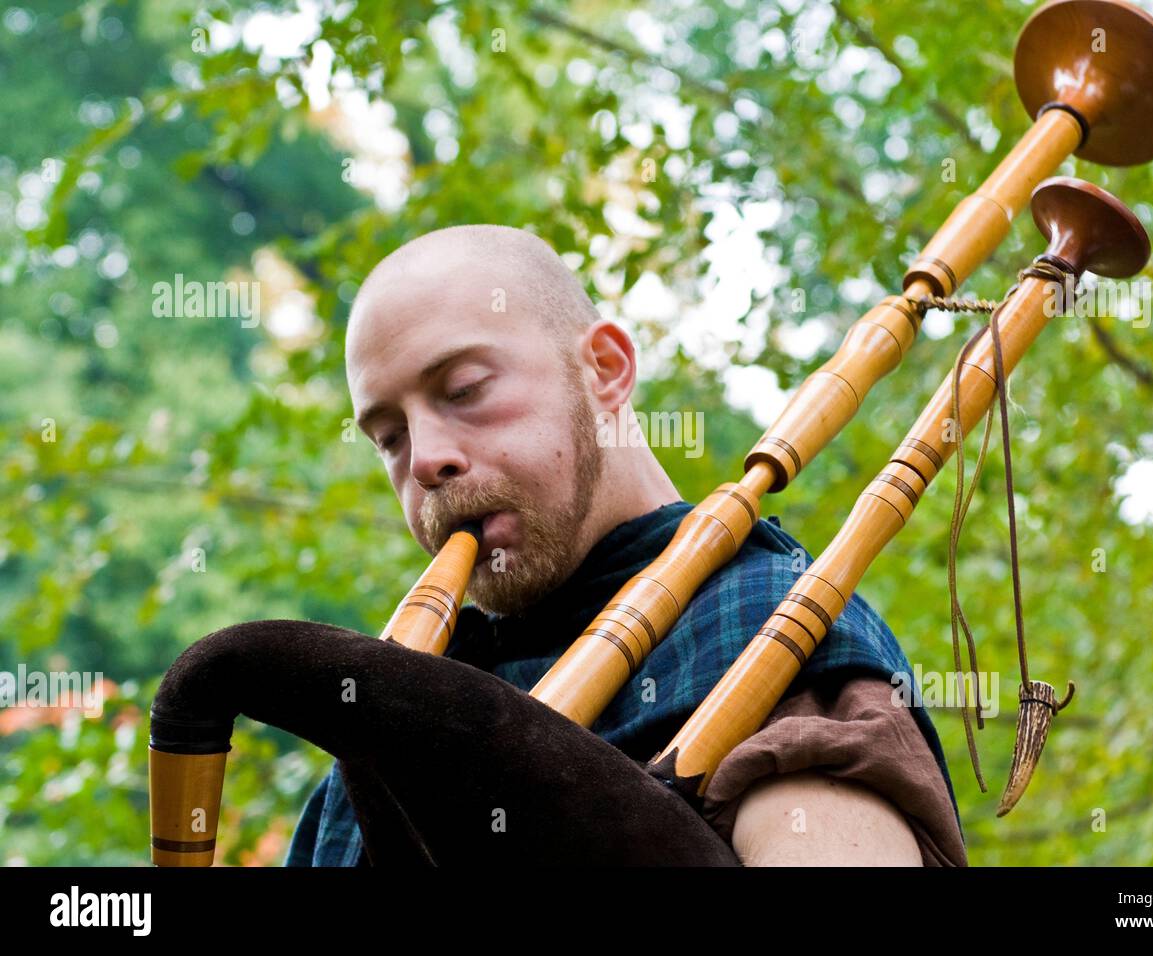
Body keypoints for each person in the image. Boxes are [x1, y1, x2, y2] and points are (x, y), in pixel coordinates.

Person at [285, 225, 967, 866]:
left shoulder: (770, 634)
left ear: (606, 369)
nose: (427, 460)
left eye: (464, 390)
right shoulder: (384, 732)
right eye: (389, 437)